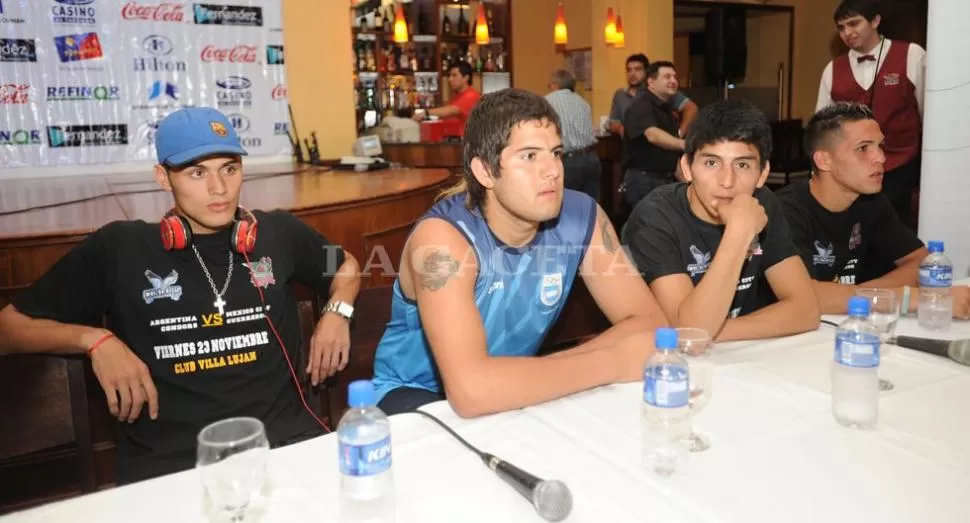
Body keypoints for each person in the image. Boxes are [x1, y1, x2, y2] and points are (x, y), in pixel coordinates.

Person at [0, 107, 361, 484]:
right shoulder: (119, 248)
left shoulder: (278, 232)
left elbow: (348, 266)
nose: (218, 188)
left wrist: (338, 311)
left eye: (229, 168)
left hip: (284, 446)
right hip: (170, 467)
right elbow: (7, 330)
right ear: (162, 177)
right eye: (196, 172)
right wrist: (94, 339)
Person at [372, 88, 669, 417]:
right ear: (485, 171)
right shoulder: (442, 240)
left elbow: (651, 327)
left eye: (556, 153)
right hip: (414, 394)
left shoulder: (582, 216)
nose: (553, 170)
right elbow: (472, 391)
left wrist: (551, 369)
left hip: (515, 387)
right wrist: (611, 361)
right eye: (529, 156)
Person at [621, 100, 819, 341]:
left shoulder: (763, 203)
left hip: (742, 357)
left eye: (743, 164)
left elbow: (806, 311)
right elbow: (690, 334)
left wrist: (713, 331)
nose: (727, 180)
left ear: (763, 174)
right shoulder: (655, 217)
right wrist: (739, 233)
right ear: (686, 167)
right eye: (711, 162)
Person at [778, 102, 970, 317]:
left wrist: (865, 296)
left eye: (880, 146)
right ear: (824, 160)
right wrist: (907, 299)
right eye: (863, 148)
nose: (881, 157)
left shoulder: (871, 202)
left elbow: (922, 263)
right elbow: (804, 298)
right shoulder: (785, 211)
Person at [815, 0, 925, 224]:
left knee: (896, 233)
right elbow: (822, 125)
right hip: (850, 170)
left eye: (854, 24)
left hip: (900, 167)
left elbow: (928, 115)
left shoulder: (911, 55)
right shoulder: (833, 68)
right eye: (841, 27)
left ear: (875, 21)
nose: (847, 32)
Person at [620, 61, 685, 206]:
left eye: (674, 77)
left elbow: (669, 154)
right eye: (667, 77)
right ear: (651, 81)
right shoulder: (641, 105)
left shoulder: (666, 109)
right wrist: (685, 144)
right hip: (644, 181)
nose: (673, 81)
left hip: (664, 180)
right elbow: (653, 135)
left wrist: (688, 182)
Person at [608, 53, 698, 138]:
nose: (632, 74)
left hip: (660, 142)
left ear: (647, 72)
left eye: (637, 69)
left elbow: (691, 108)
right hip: (633, 143)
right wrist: (622, 130)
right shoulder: (620, 95)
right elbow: (613, 123)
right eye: (629, 70)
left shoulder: (660, 91)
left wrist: (680, 133)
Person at [545, 68, 601, 201]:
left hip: (568, 162)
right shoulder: (584, 103)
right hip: (591, 159)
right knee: (590, 205)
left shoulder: (547, 102)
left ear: (555, 85)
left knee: (567, 206)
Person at [413, 61, 481, 133]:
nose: (450, 79)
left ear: (466, 78)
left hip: (465, 142)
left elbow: (452, 110)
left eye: (454, 75)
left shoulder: (471, 95)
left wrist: (425, 113)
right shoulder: (456, 97)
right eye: (449, 75)